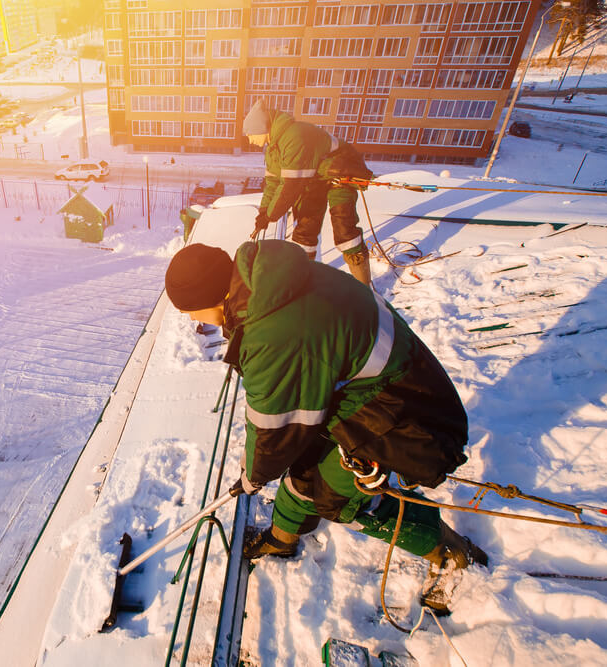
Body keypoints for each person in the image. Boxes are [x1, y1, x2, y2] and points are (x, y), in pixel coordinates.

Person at [164, 240, 488, 613]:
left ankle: (450, 551)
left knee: (338, 499)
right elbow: (282, 418)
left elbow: (273, 429)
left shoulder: (273, 332)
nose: (194, 319)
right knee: (303, 465)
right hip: (378, 386)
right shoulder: (269, 281)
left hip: (404, 413)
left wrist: (252, 476)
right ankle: (282, 539)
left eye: (192, 310)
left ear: (212, 295)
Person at [242, 99, 375, 286]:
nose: (249, 140)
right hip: (314, 179)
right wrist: (263, 212)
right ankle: (307, 285)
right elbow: (273, 184)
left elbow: (290, 187)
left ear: (262, 128)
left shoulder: (294, 136)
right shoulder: (272, 149)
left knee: (344, 230)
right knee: (304, 233)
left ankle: (365, 287)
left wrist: (271, 216)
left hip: (340, 170)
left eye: (250, 135)